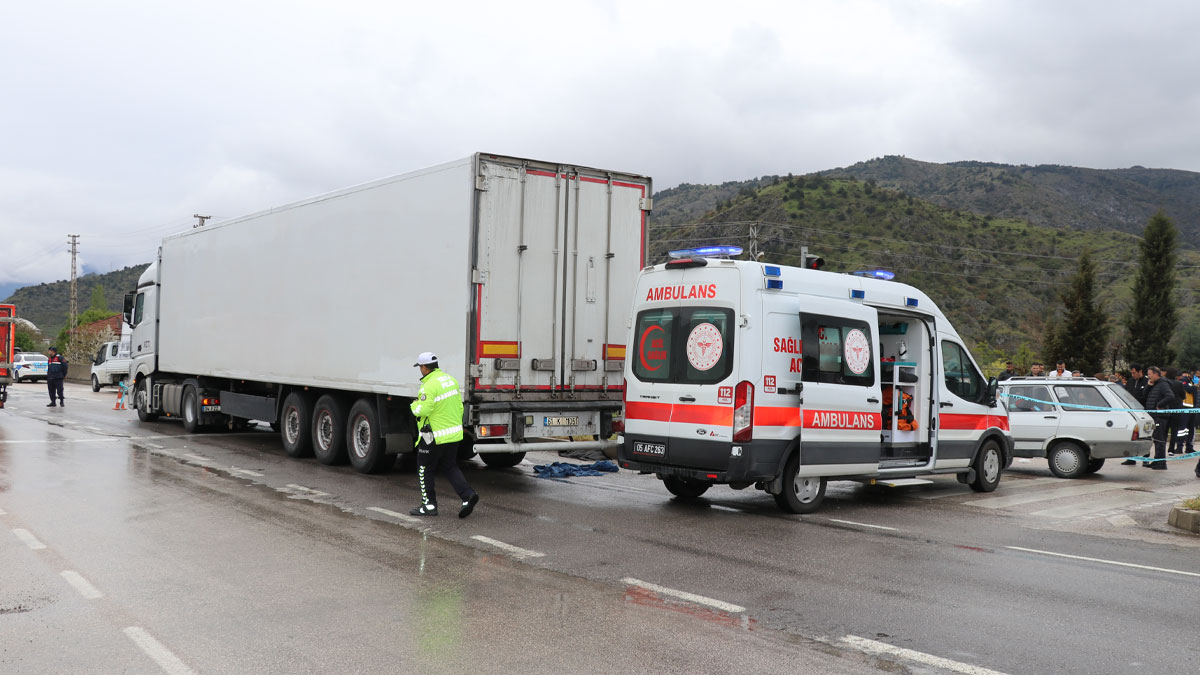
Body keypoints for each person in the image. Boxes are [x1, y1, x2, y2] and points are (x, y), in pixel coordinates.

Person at [408, 352, 479, 518]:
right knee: (450, 466)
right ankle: (468, 495)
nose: (420, 370)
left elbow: (423, 409)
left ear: (424, 368)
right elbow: (459, 407)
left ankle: (429, 505)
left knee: (425, 469)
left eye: (420, 367)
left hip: (433, 435)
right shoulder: (450, 380)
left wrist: (414, 405)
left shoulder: (429, 385)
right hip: (453, 434)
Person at [1143, 366, 1175, 470]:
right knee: (1156, 439)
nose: (1148, 376)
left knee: (1160, 440)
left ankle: (1161, 463)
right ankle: (1157, 460)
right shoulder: (1154, 384)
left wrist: (1160, 404)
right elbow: (1144, 396)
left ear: (1156, 374)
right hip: (1153, 416)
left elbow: (1170, 396)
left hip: (1160, 417)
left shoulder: (1163, 384)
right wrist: (1148, 386)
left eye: (1150, 374)